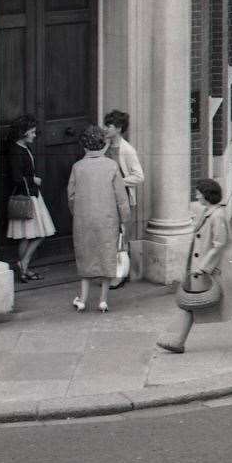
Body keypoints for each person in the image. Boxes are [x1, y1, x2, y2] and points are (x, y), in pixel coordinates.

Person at [157, 179, 232, 354]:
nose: (196, 195)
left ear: (207, 195)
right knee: (192, 302)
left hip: (220, 270)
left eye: (199, 192)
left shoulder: (217, 216)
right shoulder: (210, 212)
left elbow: (219, 243)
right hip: (214, 270)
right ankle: (179, 342)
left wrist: (203, 267)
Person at [68, 124, 131, 313]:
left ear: (84, 146)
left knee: (85, 256)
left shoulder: (77, 167)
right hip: (108, 218)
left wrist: (77, 213)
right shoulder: (111, 166)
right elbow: (121, 198)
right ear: (103, 144)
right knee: (106, 256)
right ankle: (103, 300)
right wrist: (124, 220)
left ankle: (83, 299)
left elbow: (71, 195)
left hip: (83, 219)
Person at [4, 114, 54, 283]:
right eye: (32, 132)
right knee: (39, 233)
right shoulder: (17, 151)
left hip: (30, 195)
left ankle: (23, 268)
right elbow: (17, 177)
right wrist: (34, 179)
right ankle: (23, 263)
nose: (34, 135)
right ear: (23, 133)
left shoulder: (22, 148)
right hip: (28, 197)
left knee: (27, 235)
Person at [101, 109, 145, 279]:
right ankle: (111, 273)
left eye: (109, 126)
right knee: (109, 236)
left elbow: (139, 176)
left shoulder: (127, 150)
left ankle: (120, 275)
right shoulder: (105, 145)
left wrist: (118, 181)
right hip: (106, 198)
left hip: (122, 199)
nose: (105, 129)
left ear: (118, 128)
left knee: (121, 235)